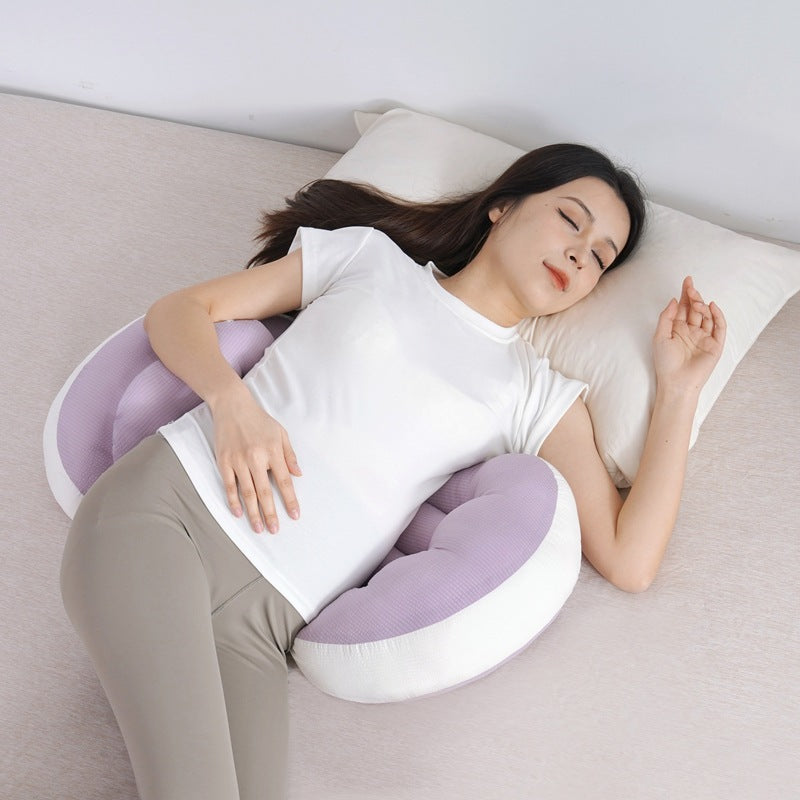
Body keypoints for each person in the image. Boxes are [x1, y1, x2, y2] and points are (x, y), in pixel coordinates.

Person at [59, 143, 725, 800]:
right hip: (167, 518)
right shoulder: (368, 259)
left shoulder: (536, 394)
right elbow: (180, 311)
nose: (581, 254)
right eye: (571, 220)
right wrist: (232, 405)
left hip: (259, 629)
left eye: (601, 257)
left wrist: (680, 389)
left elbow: (630, 560)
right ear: (502, 206)